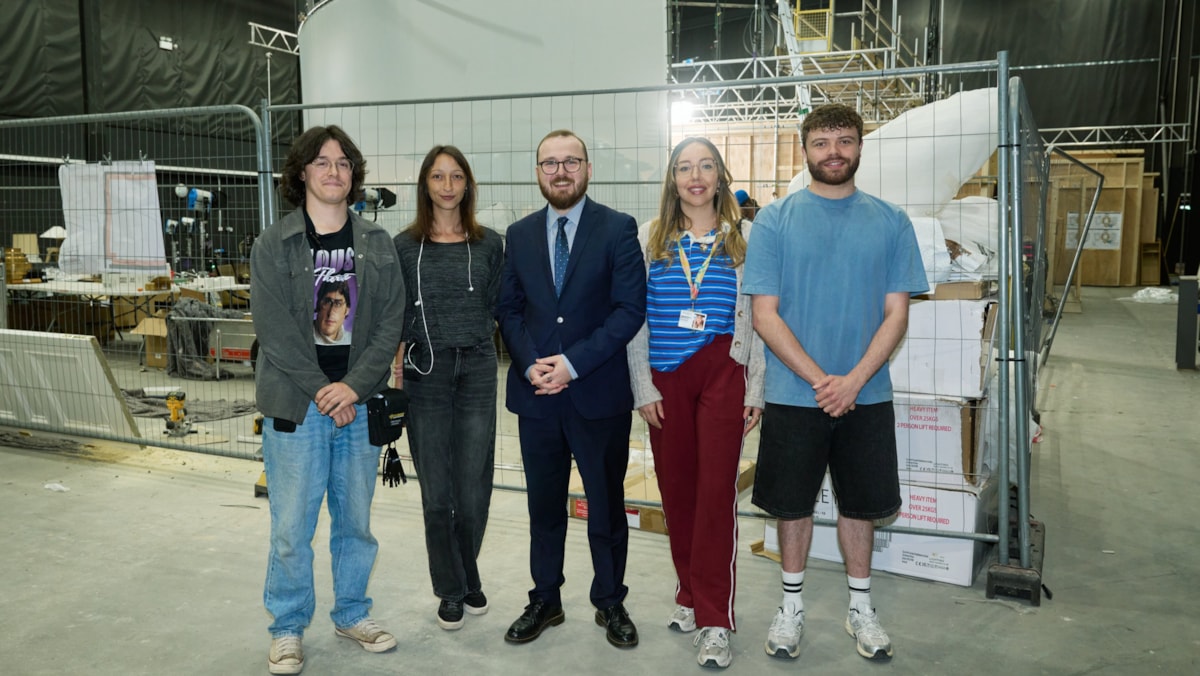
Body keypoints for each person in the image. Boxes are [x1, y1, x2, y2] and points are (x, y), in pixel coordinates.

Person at [741, 103, 928, 663]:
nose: (833, 152)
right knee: (792, 507)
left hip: (866, 395)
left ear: (860, 148)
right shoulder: (774, 220)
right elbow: (764, 315)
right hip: (795, 394)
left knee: (861, 506)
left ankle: (860, 608)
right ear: (805, 150)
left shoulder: (891, 221)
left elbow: (897, 314)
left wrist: (853, 382)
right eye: (822, 142)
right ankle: (791, 608)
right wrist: (825, 381)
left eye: (844, 141)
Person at [251, 125, 405, 675]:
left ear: (353, 175)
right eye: (321, 161)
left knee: (355, 522)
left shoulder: (377, 243)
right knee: (292, 526)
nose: (334, 171)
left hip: (358, 403)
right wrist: (323, 390)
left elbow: (390, 322)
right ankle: (288, 626)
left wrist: (354, 387)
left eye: (343, 162)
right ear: (301, 174)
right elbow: (274, 330)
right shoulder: (274, 243)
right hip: (297, 406)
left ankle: (352, 612)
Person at [495, 129, 646, 649]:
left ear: (587, 167)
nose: (560, 171)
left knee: (605, 506)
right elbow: (509, 309)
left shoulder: (618, 230)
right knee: (543, 507)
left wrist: (573, 364)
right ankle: (545, 599)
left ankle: (610, 601)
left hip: (596, 393)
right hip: (536, 395)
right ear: (537, 171)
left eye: (571, 162)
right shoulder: (518, 235)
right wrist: (531, 362)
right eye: (549, 163)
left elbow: (629, 310)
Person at [626, 137, 765, 669]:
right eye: (685, 167)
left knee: (714, 497)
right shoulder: (649, 237)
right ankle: (689, 591)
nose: (695, 175)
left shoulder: (746, 238)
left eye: (706, 165)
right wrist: (643, 386)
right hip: (665, 378)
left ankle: (715, 618)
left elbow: (758, 318)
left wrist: (754, 388)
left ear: (720, 176)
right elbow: (635, 319)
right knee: (677, 493)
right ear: (673, 179)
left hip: (722, 372)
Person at [392, 145, 504, 632]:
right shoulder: (403, 246)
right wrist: (394, 371)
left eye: (456, 175)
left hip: (478, 369)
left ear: (468, 185)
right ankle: (452, 588)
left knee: (474, 490)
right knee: (438, 492)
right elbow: (393, 315)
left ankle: (467, 570)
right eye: (438, 176)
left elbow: (504, 309)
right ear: (425, 185)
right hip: (426, 374)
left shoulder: (489, 245)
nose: (447, 185)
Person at [313, 279, 353, 345]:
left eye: (338, 304)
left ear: (347, 310)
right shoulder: (302, 336)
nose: (331, 313)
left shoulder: (352, 341)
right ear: (318, 305)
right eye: (327, 302)